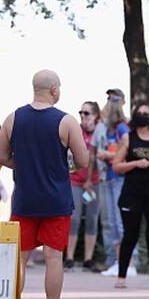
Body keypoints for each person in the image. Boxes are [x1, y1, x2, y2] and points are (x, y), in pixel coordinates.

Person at [0, 69, 89, 299]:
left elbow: (1, 156)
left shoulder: (12, 118)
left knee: (20, 259)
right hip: (56, 199)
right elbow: (82, 161)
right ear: (55, 90)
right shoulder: (67, 122)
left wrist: (24, 165)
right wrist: (61, 167)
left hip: (24, 198)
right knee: (53, 258)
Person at [112, 102, 149, 289]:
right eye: (140, 113)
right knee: (130, 235)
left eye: (146, 113)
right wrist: (135, 164)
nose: (143, 115)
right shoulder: (128, 137)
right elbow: (116, 165)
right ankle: (122, 276)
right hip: (132, 193)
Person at [94, 96, 134, 276]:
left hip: (119, 178)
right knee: (111, 221)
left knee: (120, 221)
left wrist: (109, 156)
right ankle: (117, 261)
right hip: (108, 177)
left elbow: (127, 148)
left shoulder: (122, 128)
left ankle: (129, 263)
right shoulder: (108, 130)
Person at [65, 101, 101, 272]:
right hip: (75, 181)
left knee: (93, 219)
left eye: (87, 113)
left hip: (95, 182)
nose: (83, 117)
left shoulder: (100, 131)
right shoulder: (76, 130)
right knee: (74, 218)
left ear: (95, 115)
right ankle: (70, 257)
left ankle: (88, 258)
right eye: (81, 113)